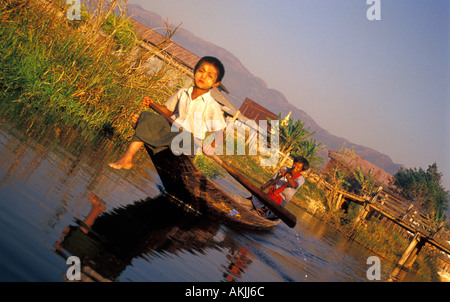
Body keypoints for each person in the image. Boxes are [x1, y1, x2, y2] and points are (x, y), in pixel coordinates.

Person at [109, 56, 227, 169]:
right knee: (146, 116)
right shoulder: (182, 93)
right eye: (201, 71)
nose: (203, 76)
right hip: (172, 131)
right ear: (195, 70)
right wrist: (152, 104)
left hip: (189, 141)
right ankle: (128, 158)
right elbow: (168, 111)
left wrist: (211, 146)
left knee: (180, 135)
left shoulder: (211, 105)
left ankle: (157, 142)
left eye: (210, 76)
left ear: (216, 83)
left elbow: (220, 133)